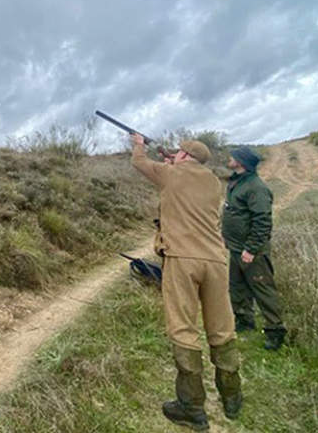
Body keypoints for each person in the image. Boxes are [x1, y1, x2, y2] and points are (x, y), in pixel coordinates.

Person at [131, 134, 242, 430]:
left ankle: (192, 408)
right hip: (217, 261)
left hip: (183, 259)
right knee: (221, 329)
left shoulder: (171, 173)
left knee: (183, 329)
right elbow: (185, 182)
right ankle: (232, 398)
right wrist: (174, 162)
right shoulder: (213, 182)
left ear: (182, 155)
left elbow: (139, 162)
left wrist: (138, 142)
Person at [222, 146, 287, 351]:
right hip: (235, 248)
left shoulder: (256, 187)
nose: (229, 158)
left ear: (241, 162)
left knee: (263, 290)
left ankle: (275, 331)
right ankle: (244, 320)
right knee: (237, 288)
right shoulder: (237, 181)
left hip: (252, 251)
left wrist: (251, 249)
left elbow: (262, 221)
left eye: (233, 157)